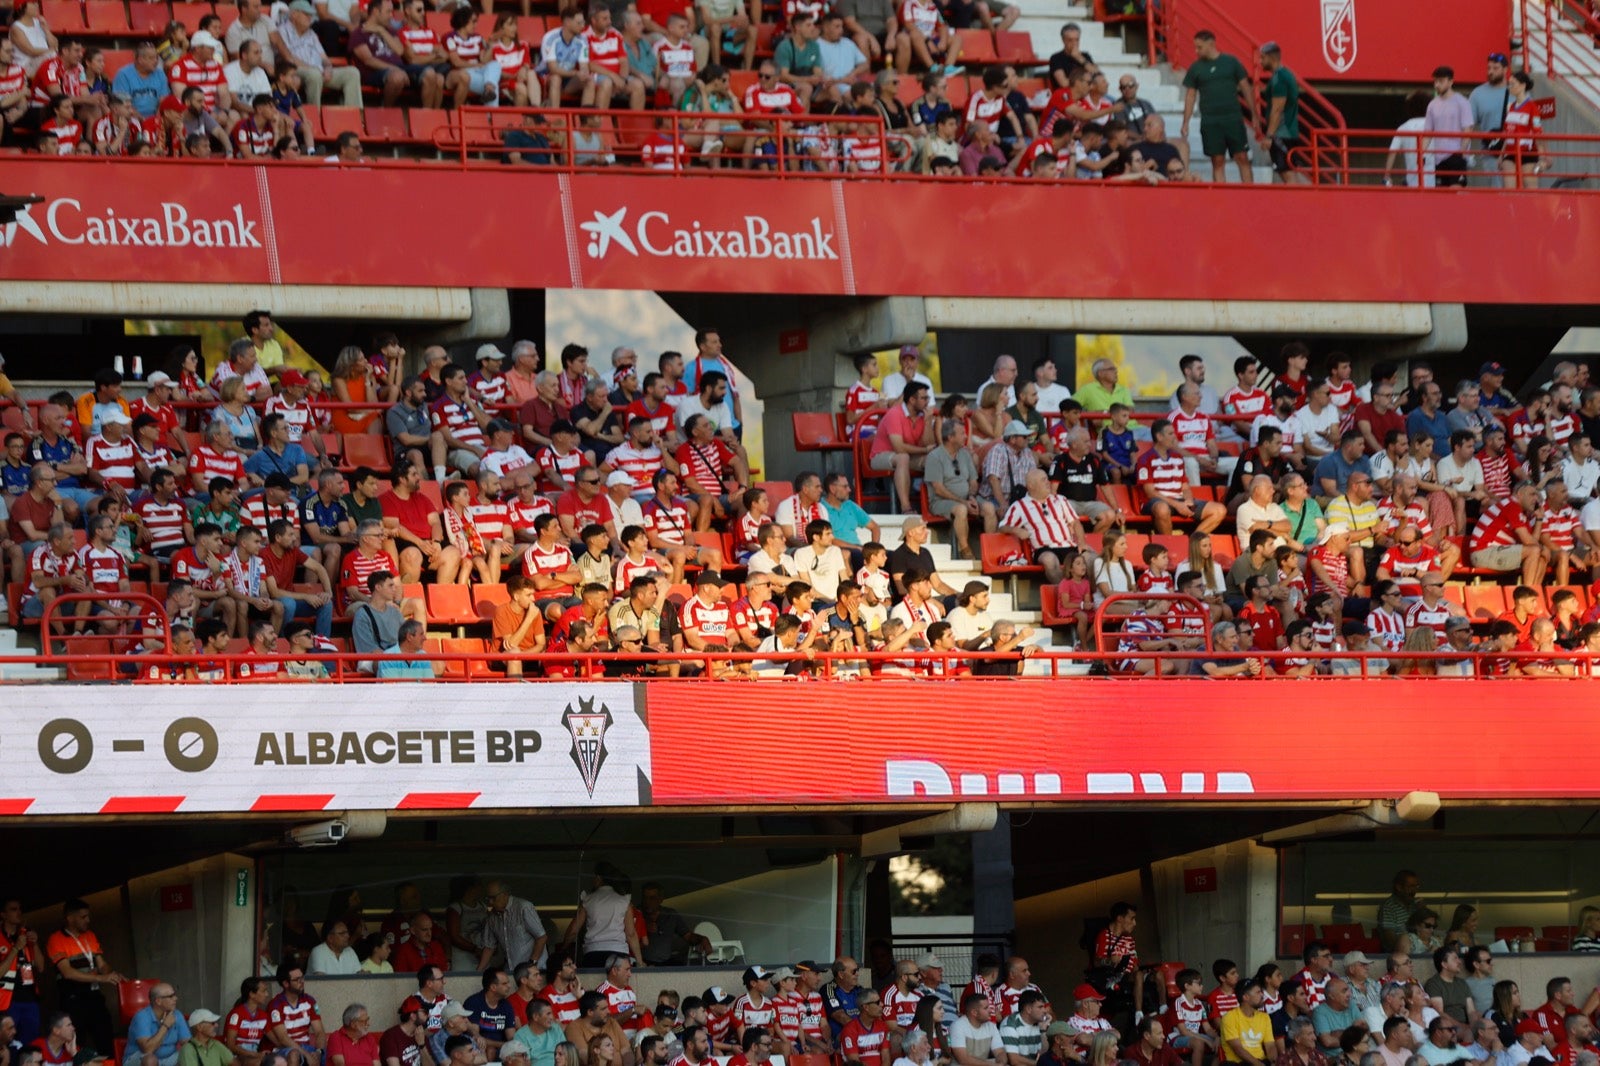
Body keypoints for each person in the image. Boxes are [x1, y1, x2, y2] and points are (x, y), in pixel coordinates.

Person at [1181, 30, 1252, 183]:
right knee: (1217, 160)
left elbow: (1246, 87)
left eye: (1199, 47)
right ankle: (1223, 197)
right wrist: (1185, 122)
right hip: (1210, 121)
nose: (1196, 51)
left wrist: (1255, 114)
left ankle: (1250, 195)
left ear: (1211, 44)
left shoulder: (1231, 62)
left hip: (1233, 118)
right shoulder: (1196, 68)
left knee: (1242, 157)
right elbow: (1190, 95)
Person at [560, 864, 644, 969]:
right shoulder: (624, 901)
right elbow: (631, 934)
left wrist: (563, 949)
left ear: (599, 878)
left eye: (594, 877)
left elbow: (573, 930)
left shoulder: (588, 900)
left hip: (593, 952)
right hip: (619, 952)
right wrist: (640, 962)